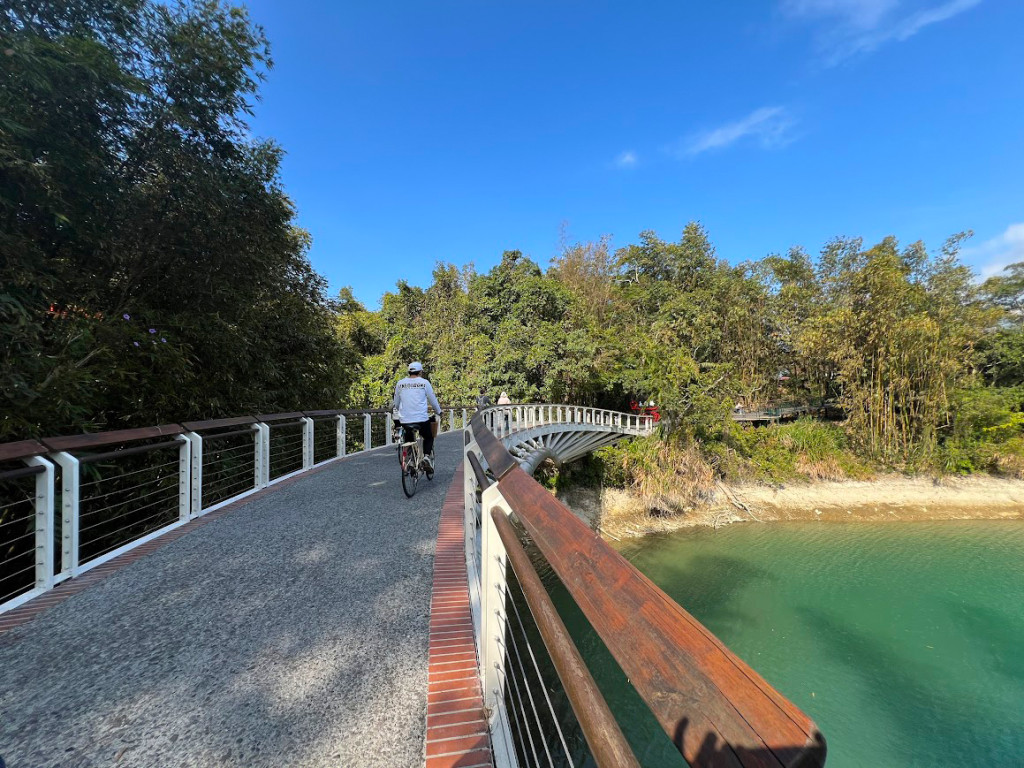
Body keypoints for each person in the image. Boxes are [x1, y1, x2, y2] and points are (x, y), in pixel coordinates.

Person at [392, 361, 441, 471]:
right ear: (420, 372)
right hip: (421, 419)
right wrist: (439, 411)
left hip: (404, 420)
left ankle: (409, 459)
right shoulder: (424, 383)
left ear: (409, 371)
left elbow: (396, 402)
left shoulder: (400, 383)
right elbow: (433, 400)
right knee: (428, 436)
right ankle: (427, 457)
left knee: (409, 436)